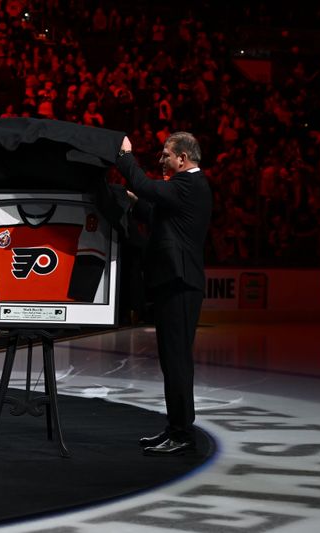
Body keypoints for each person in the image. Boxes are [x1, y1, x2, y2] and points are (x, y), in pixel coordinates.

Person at [115, 132, 212, 456]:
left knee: (177, 360)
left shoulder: (190, 184)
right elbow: (154, 212)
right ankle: (176, 428)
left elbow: (147, 187)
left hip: (181, 283)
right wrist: (131, 200)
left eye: (166, 155)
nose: (162, 160)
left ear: (183, 158)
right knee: (172, 361)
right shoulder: (183, 190)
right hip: (175, 282)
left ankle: (182, 433)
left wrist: (125, 156)